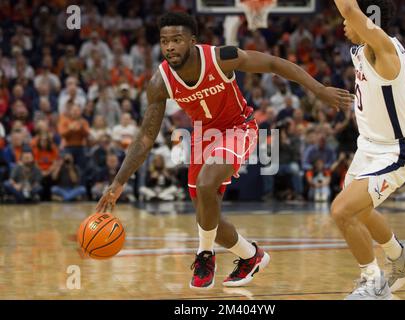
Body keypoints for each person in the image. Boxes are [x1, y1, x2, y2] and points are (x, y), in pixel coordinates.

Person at [96, 12, 353, 290]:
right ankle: (251, 256)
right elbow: (145, 138)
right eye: (164, 41)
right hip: (202, 136)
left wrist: (318, 89)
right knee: (208, 218)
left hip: (238, 128)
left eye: (177, 40)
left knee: (206, 186)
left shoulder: (221, 57)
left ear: (192, 41)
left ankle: (204, 255)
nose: (169, 47)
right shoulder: (160, 82)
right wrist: (118, 182)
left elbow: (272, 63)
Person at [331, 0, 405, 300]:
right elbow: (388, 78)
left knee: (342, 211)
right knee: (359, 209)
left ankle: (374, 284)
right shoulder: (365, 49)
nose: (344, 24)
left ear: (367, 18)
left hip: (394, 153)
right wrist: (403, 87)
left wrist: (352, 10)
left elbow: (348, 9)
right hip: (367, 148)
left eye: (353, 19)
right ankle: (400, 256)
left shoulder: (381, 47)